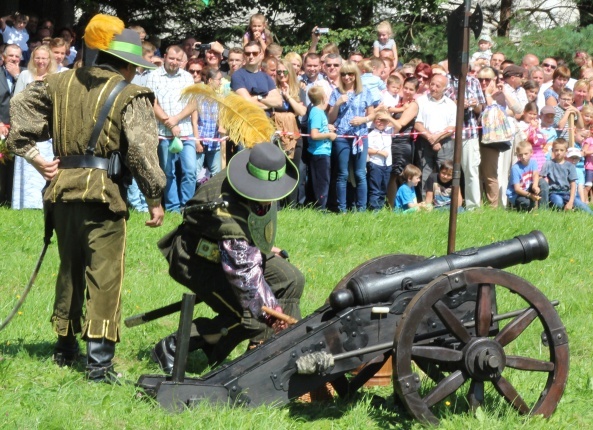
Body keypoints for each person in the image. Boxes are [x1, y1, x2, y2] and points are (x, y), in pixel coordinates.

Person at [6, 14, 166, 382]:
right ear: (125, 64)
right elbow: (142, 152)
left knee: (69, 270)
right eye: (135, 67)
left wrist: (36, 159)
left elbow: (18, 114)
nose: (136, 74)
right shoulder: (130, 95)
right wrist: (154, 197)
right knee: (104, 275)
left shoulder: (58, 83)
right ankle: (99, 365)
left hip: (61, 192)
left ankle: (64, 347)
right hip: (103, 196)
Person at [151, 141, 304, 372]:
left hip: (234, 252)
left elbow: (247, 235)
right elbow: (245, 275)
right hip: (197, 259)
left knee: (291, 279)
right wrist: (273, 314)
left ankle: (281, 352)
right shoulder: (225, 209)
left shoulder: (250, 169)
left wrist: (261, 246)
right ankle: (174, 346)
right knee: (252, 316)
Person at [146, 44, 197, 212]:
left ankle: (187, 206)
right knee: (168, 173)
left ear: (182, 60)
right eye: (171, 58)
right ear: (165, 56)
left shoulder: (188, 77)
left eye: (178, 59)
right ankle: (173, 208)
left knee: (190, 171)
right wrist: (169, 122)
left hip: (186, 131)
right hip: (163, 133)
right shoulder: (153, 76)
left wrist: (175, 120)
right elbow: (152, 103)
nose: (174, 62)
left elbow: (193, 103)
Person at [11, 44, 57, 210]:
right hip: (26, 128)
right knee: (28, 164)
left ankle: (42, 201)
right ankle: (25, 203)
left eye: (44, 58)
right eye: (37, 57)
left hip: (46, 130)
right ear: (33, 59)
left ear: (49, 60)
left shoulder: (55, 77)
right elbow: (16, 100)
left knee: (45, 164)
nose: (40, 61)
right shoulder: (25, 75)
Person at [327, 61, 375, 212]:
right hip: (342, 137)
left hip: (360, 136)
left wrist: (364, 120)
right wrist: (337, 104)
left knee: (360, 173)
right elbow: (330, 119)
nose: (347, 77)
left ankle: (361, 209)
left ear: (356, 75)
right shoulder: (336, 92)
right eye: (343, 74)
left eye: (350, 74)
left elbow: (372, 113)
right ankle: (342, 209)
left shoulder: (365, 91)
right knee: (343, 173)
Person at [414, 74, 456, 194]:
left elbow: (452, 127)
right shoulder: (421, 101)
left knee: (445, 173)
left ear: (445, 88)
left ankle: (444, 201)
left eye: (437, 86)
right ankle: (425, 202)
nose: (433, 88)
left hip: (445, 143)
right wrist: (430, 138)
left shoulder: (451, 104)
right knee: (424, 173)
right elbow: (418, 124)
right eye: (432, 84)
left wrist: (436, 139)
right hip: (424, 142)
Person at [386, 76, 419, 208]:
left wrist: (387, 116)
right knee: (391, 174)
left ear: (416, 91)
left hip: (402, 144)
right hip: (391, 142)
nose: (407, 91)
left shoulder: (413, 105)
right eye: (405, 88)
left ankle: (399, 205)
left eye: (411, 89)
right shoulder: (397, 102)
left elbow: (401, 124)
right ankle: (391, 204)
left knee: (399, 175)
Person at [541, 139, 592, 214]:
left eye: (562, 150)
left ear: (566, 151)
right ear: (552, 150)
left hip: (566, 193)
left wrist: (571, 201)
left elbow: (573, 184)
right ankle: (560, 208)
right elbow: (541, 178)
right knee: (558, 203)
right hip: (553, 192)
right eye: (556, 150)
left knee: (585, 209)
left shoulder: (570, 166)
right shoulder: (548, 164)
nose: (559, 152)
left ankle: (570, 206)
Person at [0, 44, 23, 205]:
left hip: (16, 128)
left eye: (17, 56)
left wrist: (17, 77)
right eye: (11, 56)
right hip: (0, 125)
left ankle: (9, 199)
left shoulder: (25, 76)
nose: (14, 59)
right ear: (3, 57)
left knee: (13, 167)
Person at [307, 86, 336, 209]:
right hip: (319, 153)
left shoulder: (318, 112)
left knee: (323, 181)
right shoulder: (317, 113)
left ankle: (320, 206)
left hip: (323, 152)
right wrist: (329, 135)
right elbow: (314, 134)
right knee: (322, 182)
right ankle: (320, 208)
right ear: (323, 98)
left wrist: (328, 128)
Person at [366, 112, 393, 211]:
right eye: (378, 120)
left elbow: (399, 125)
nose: (381, 123)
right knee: (375, 189)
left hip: (387, 164)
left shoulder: (389, 131)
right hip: (376, 163)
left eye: (383, 120)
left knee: (383, 188)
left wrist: (388, 117)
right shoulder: (371, 134)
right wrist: (379, 152)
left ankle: (380, 208)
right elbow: (367, 149)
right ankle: (374, 209)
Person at [506, 141, 544, 211]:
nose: (523, 157)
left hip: (527, 188)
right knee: (526, 203)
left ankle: (544, 209)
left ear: (531, 153)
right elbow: (517, 189)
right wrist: (530, 195)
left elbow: (535, 174)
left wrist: (535, 186)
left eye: (526, 154)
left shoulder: (533, 162)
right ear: (517, 155)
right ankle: (521, 208)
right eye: (520, 155)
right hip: (516, 194)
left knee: (543, 183)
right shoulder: (515, 168)